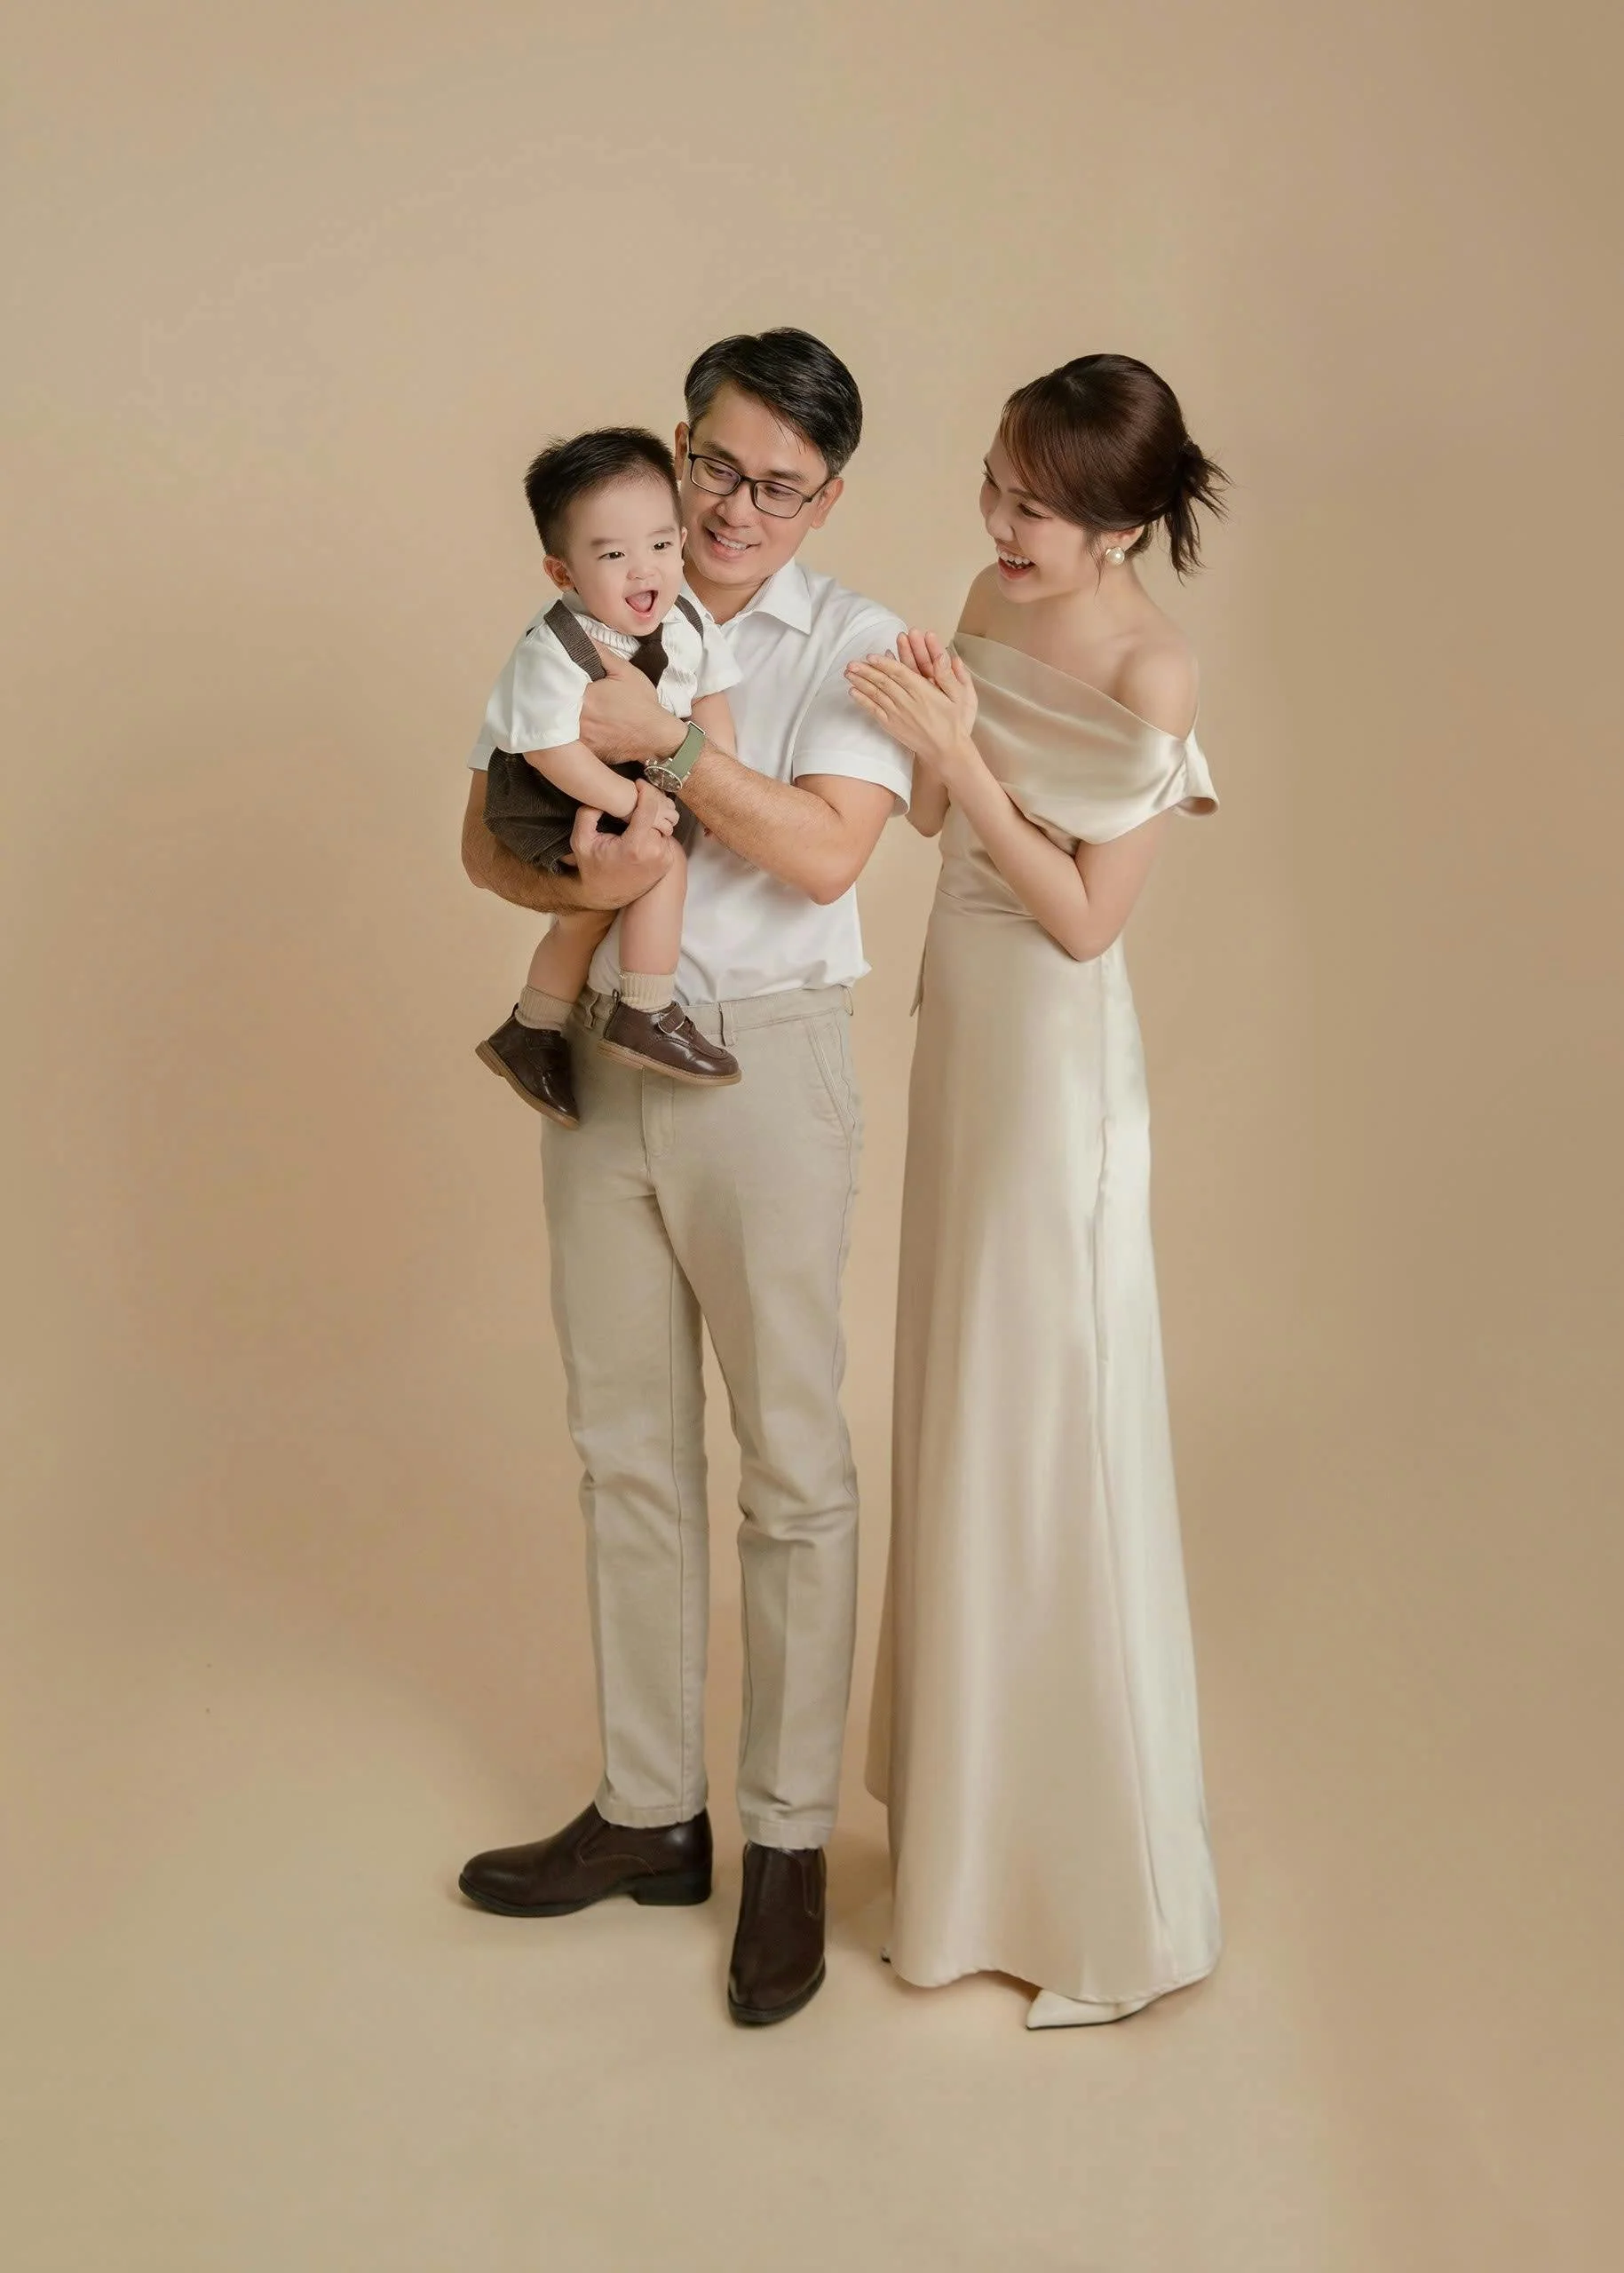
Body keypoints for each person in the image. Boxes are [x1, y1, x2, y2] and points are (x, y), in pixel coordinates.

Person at [456, 329, 910, 2028]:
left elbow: (820, 850)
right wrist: (565, 833)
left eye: (773, 485)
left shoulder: (850, 643)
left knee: (790, 1457)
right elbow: (480, 838)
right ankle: (651, 1809)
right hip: (602, 1069)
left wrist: (659, 743)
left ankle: (787, 1841)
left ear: (825, 498)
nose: (729, 507)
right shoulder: (601, 594)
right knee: (623, 1448)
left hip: (763, 1062)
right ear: (677, 446)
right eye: (711, 465)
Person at [851, 352, 1227, 2029]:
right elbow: (931, 814)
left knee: (1046, 1421)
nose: (1000, 524)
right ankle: (965, 1845)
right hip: (961, 1039)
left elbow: (1083, 921)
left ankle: (1082, 1880)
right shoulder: (979, 590)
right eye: (994, 484)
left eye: (1040, 509)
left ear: (1123, 521)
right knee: (959, 1404)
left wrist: (964, 752)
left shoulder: (1151, 667)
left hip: (1057, 1077)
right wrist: (925, 716)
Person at [472, 426, 746, 1125]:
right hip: (543, 798)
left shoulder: (687, 616)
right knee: (660, 865)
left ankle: (530, 1030)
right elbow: (546, 752)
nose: (644, 571)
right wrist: (631, 800)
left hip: (616, 779)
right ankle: (645, 1012)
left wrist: (719, 784)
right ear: (563, 573)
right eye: (615, 555)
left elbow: (709, 696)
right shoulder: (553, 648)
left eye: (661, 545)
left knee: (588, 915)